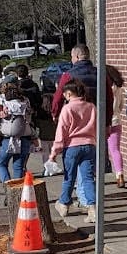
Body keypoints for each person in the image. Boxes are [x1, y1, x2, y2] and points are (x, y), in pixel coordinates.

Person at [48, 81, 97, 222]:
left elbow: (61, 131)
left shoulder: (67, 108)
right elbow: (96, 126)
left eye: (64, 94)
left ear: (69, 93)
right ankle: (92, 208)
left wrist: (54, 153)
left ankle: (64, 204)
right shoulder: (91, 106)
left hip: (71, 147)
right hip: (89, 145)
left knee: (69, 177)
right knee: (88, 178)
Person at [0, 81, 35, 182]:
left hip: (6, 138)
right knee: (18, 166)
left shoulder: (1, 101)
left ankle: (8, 187)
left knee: (2, 164)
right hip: (25, 136)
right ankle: (18, 191)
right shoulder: (26, 101)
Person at [107, 65, 127, 188]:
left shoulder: (103, 88)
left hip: (103, 123)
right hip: (116, 121)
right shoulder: (119, 89)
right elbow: (121, 106)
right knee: (115, 150)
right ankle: (120, 175)